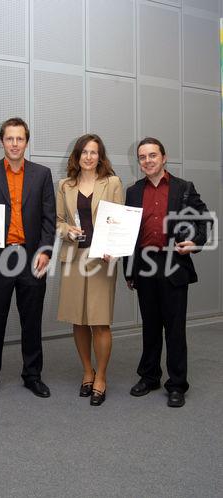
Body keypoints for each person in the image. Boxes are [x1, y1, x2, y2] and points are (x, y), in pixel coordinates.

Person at [124, 137, 212, 408]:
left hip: (174, 265)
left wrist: (195, 242)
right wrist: (128, 270)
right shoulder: (134, 191)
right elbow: (128, 234)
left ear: (164, 157)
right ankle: (149, 377)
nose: (148, 160)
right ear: (139, 162)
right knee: (150, 327)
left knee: (174, 329)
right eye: (142, 157)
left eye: (152, 155)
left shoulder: (183, 188)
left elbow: (204, 219)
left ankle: (177, 384)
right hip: (145, 266)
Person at [0, 117, 56, 401]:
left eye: (20, 139)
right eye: (10, 138)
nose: (15, 144)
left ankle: (32, 376)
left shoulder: (42, 174)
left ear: (26, 142)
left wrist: (46, 250)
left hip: (32, 258)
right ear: (2, 141)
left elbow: (49, 218)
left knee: (31, 322)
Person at [57, 134, 124, 406]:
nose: (88, 157)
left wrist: (114, 247)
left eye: (94, 152)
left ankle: (102, 376)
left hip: (102, 260)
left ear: (100, 156)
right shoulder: (65, 185)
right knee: (79, 320)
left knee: (100, 320)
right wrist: (67, 231)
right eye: (84, 152)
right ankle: (87, 371)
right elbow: (59, 220)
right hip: (75, 258)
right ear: (77, 155)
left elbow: (121, 220)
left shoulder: (113, 183)